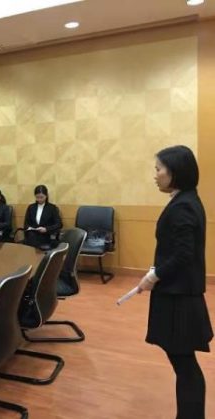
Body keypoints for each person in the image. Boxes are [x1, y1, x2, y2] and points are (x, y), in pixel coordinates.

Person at [137, 145, 212, 419]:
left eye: (159, 169)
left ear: (175, 172)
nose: (155, 175)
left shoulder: (183, 206)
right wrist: (156, 269)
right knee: (184, 364)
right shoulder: (186, 200)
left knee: (184, 365)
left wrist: (153, 276)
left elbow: (183, 255)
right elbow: (175, 250)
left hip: (178, 298)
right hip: (178, 293)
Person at [22, 185, 62, 249]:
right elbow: (26, 223)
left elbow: (59, 224)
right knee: (31, 238)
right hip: (33, 234)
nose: (39, 199)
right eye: (37, 197)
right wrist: (30, 228)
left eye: (41, 197)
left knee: (34, 242)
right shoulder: (31, 207)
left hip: (46, 235)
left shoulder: (52, 208)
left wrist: (46, 229)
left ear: (46, 196)